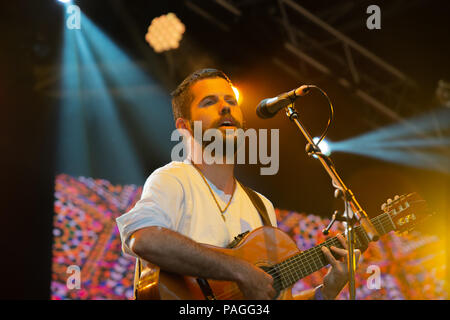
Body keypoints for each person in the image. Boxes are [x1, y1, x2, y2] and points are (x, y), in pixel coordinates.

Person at [116, 68, 360, 300]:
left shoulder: (261, 206)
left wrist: (326, 292)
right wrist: (239, 270)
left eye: (231, 101)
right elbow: (144, 239)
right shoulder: (173, 179)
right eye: (209, 102)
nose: (225, 107)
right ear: (184, 126)